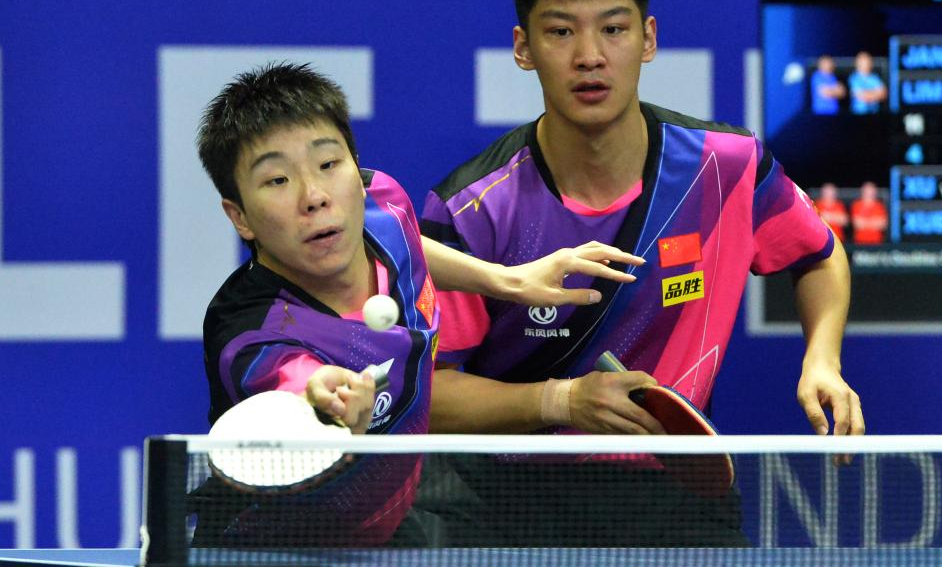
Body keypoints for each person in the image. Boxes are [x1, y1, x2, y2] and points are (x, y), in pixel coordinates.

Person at [420, 0, 863, 546]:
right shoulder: (472, 208)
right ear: (523, 48)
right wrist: (562, 402)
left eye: (613, 29)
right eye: (560, 32)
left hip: (676, 492)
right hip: (504, 499)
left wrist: (822, 359)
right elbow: (429, 394)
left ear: (648, 39)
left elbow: (819, 255)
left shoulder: (725, 169)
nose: (589, 56)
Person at [191, 62, 640, 548]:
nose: (315, 196)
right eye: (277, 180)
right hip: (283, 549)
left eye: (328, 164)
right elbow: (292, 383)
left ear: (356, 171)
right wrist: (325, 403)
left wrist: (506, 281)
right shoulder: (253, 334)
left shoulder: (382, 202)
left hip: (390, 519)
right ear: (240, 216)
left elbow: (404, 239)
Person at [851, 181, 888, 245]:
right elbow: (857, 224)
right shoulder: (856, 205)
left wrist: (865, 222)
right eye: (867, 190)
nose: (869, 193)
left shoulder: (880, 206)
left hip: (877, 241)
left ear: (875, 192)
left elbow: (883, 224)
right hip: (860, 241)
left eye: (871, 190)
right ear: (863, 191)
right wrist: (874, 222)